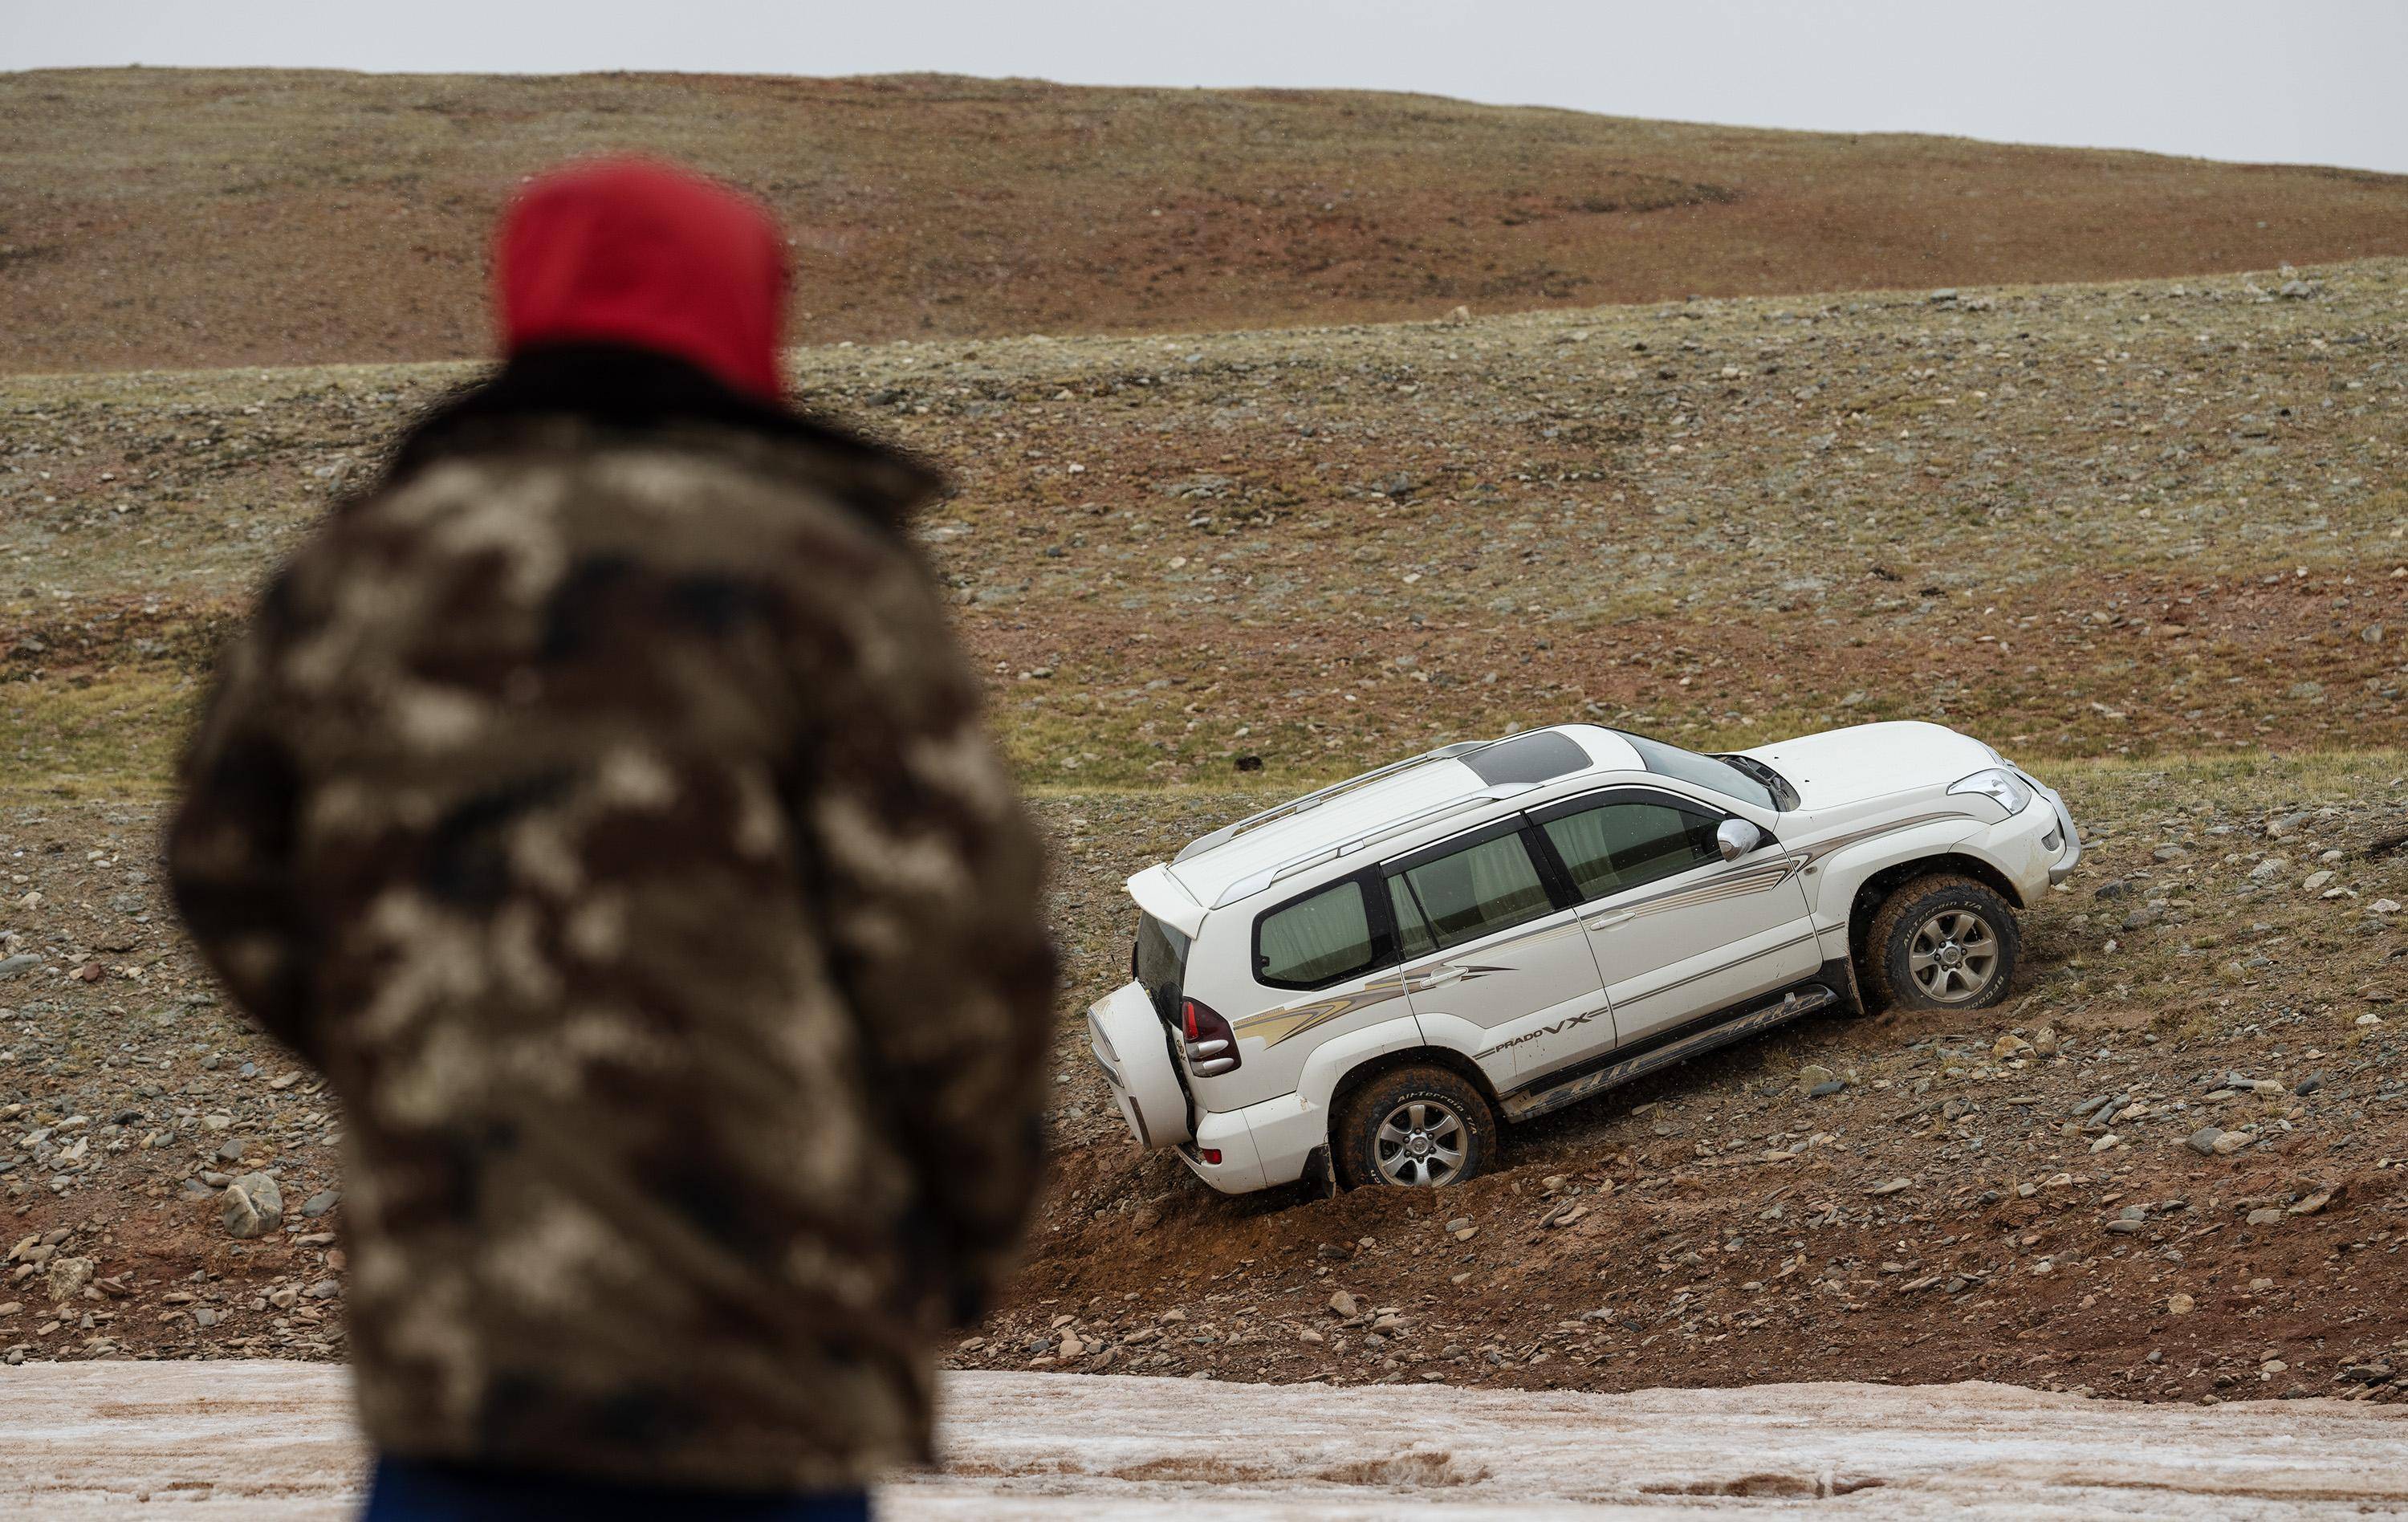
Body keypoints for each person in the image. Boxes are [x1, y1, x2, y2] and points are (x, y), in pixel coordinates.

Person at [167, 158, 1056, 1520]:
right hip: (761, 1369)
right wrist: (965, 1227)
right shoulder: (821, 573)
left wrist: (415, 1049)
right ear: (746, 317)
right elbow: (959, 955)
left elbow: (223, 868)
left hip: (465, 1368)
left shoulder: (359, 570)